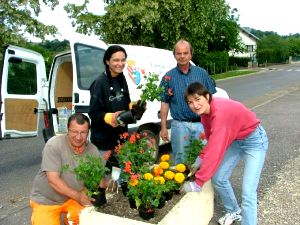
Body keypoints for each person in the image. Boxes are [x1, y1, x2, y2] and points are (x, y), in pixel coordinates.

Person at [181, 82, 269, 225]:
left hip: (254, 141)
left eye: (198, 99)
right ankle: (234, 211)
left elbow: (216, 151)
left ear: (207, 96)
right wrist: (200, 159)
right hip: (235, 140)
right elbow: (211, 139)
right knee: (219, 178)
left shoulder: (220, 114)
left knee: (248, 193)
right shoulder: (205, 114)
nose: (195, 105)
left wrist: (198, 182)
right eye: (190, 102)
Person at [30, 113, 104, 225]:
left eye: (83, 132)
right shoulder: (54, 145)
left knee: (90, 220)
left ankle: (68, 219)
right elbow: (53, 180)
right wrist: (78, 196)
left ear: (88, 132)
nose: (79, 137)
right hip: (47, 200)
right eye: (75, 131)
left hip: (73, 199)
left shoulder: (93, 150)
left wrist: (106, 183)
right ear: (68, 130)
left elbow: (98, 179)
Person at [159, 39, 217, 165]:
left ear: (191, 54)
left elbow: (211, 99)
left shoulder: (201, 73)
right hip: (179, 125)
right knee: (181, 162)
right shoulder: (168, 77)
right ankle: (183, 185)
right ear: (174, 55)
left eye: (185, 53)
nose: (182, 56)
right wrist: (163, 127)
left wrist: (214, 122)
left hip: (202, 123)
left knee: (204, 159)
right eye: (179, 53)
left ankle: (202, 185)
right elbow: (164, 102)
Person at [89, 45, 133, 170]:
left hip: (120, 139)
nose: (120, 63)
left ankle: (116, 187)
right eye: (116, 60)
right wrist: (109, 117)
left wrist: (133, 108)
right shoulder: (99, 83)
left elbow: (126, 102)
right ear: (107, 61)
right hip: (103, 141)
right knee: (98, 176)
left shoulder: (121, 78)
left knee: (120, 175)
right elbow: (93, 113)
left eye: (123, 60)